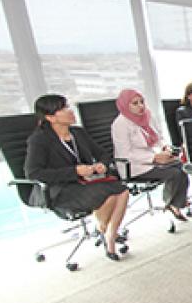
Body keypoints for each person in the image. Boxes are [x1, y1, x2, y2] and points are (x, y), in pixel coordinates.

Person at [25, 94, 130, 260]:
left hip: (85, 183)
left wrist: (101, 163)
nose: (70, 111)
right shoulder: (39, 140)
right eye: (64, 108)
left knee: (121, 191)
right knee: (111, 194)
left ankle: (108, 233)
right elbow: (33, 173)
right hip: (59, 189)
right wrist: (75, 171)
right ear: (50, 117)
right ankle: (108, 235)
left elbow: (102, 153)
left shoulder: (78, 133)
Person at [111, 89, 189, 221]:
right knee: (174, 173)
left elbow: (158, 137)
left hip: (153, 158)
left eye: (142, 102)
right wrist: (153, 158)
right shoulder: (120, 124)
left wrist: (165, 147)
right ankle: (173, 204)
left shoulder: (147, 115)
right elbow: (125, 154)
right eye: (135, 103)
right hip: (134, 166)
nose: (140, 106)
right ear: (125, 105)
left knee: (183, 165)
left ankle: (174, 202)